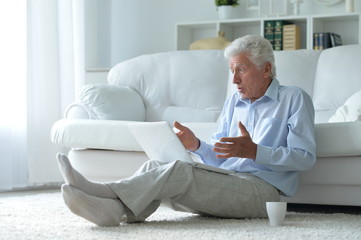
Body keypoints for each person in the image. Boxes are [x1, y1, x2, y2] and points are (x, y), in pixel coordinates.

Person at [58, 35, 316, 226]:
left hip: (263, 192)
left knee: (177, 172)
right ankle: (117, 212)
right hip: (227, 181)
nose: (235, 80)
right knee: (155, 166)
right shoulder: (233, 102)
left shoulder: (294, 99)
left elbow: (304, 157)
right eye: (232, 71)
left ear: (266, 68)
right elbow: (220, 156)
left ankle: (103, 191)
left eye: (242, 69)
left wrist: (256, 152)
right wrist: (197, 146)